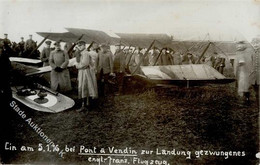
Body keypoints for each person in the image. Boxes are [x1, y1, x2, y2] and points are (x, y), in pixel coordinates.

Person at [75, 40, 98, 112]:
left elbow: (85, 64)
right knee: (83, 87)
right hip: (82, 71)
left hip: (85, 72)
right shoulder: (81, 53)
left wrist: (77, 66)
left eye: (81, 45)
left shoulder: (85, 53)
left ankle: (86, 105)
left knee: (84, 87)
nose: (79, 47)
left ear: (84, 46)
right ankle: (85, 104)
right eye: (78, 46)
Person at [250, 37, 260, 106]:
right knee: (256, 91)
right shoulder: (252, 53)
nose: (255, 45)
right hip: (254, 75)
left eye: (257, 43)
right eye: (254, 44)